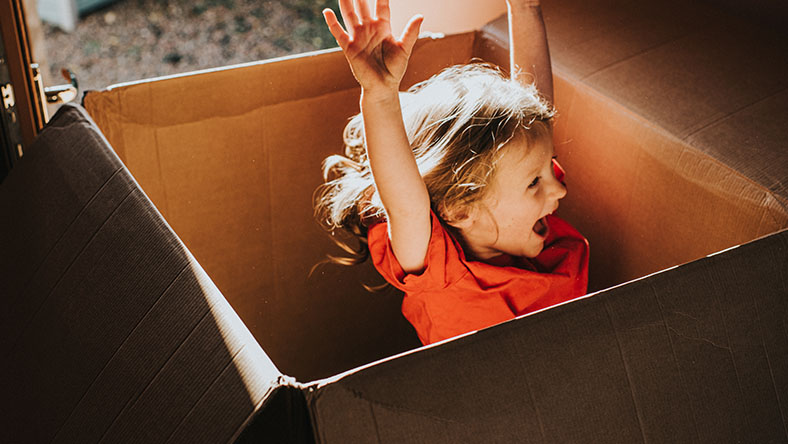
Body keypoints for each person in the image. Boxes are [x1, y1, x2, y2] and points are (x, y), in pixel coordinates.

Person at [314, 0, 589, 345]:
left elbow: (536, 112)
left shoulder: (519, 221)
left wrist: (525, 10)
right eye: (535, 182)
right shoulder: (438, 268)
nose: (559, 190)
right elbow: (405, 203)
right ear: (462, 208)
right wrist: (380, 95)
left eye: (548, 168)